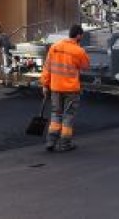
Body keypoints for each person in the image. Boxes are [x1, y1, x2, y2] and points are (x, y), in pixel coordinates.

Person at [39, 24, 90, 152]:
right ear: (78, 35)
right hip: (71, 90)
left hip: (55, 88)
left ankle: (50, 141)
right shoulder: (79, 51)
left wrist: (45, 85)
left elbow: (47, 68)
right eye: (81, 36)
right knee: (68, 116)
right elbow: (85, 66)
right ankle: (65, 144)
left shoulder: (55, 47)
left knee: (56, 114)